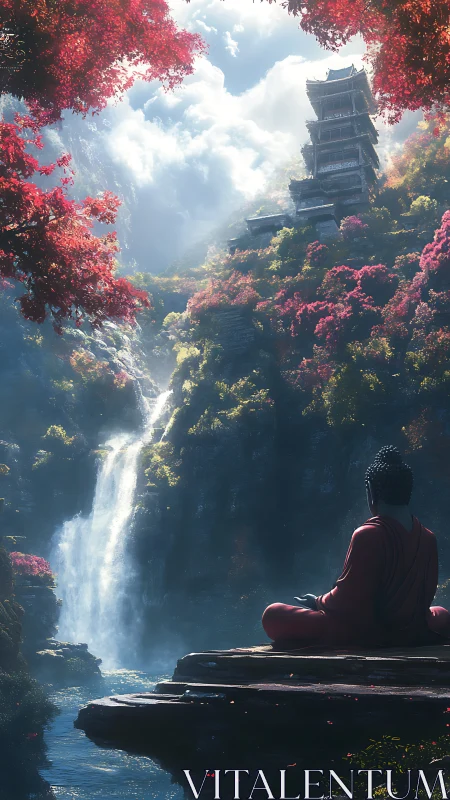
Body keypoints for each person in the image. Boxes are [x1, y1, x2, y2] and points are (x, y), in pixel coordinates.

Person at [262, 445, 450, 648]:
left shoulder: (368, 534)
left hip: (367, 632)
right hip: (413, 631)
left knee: (273, 615)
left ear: (371, 490)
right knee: (442, 614)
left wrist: (317, 601)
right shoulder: (428, 537)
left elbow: (346, 603)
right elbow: (422, 601)